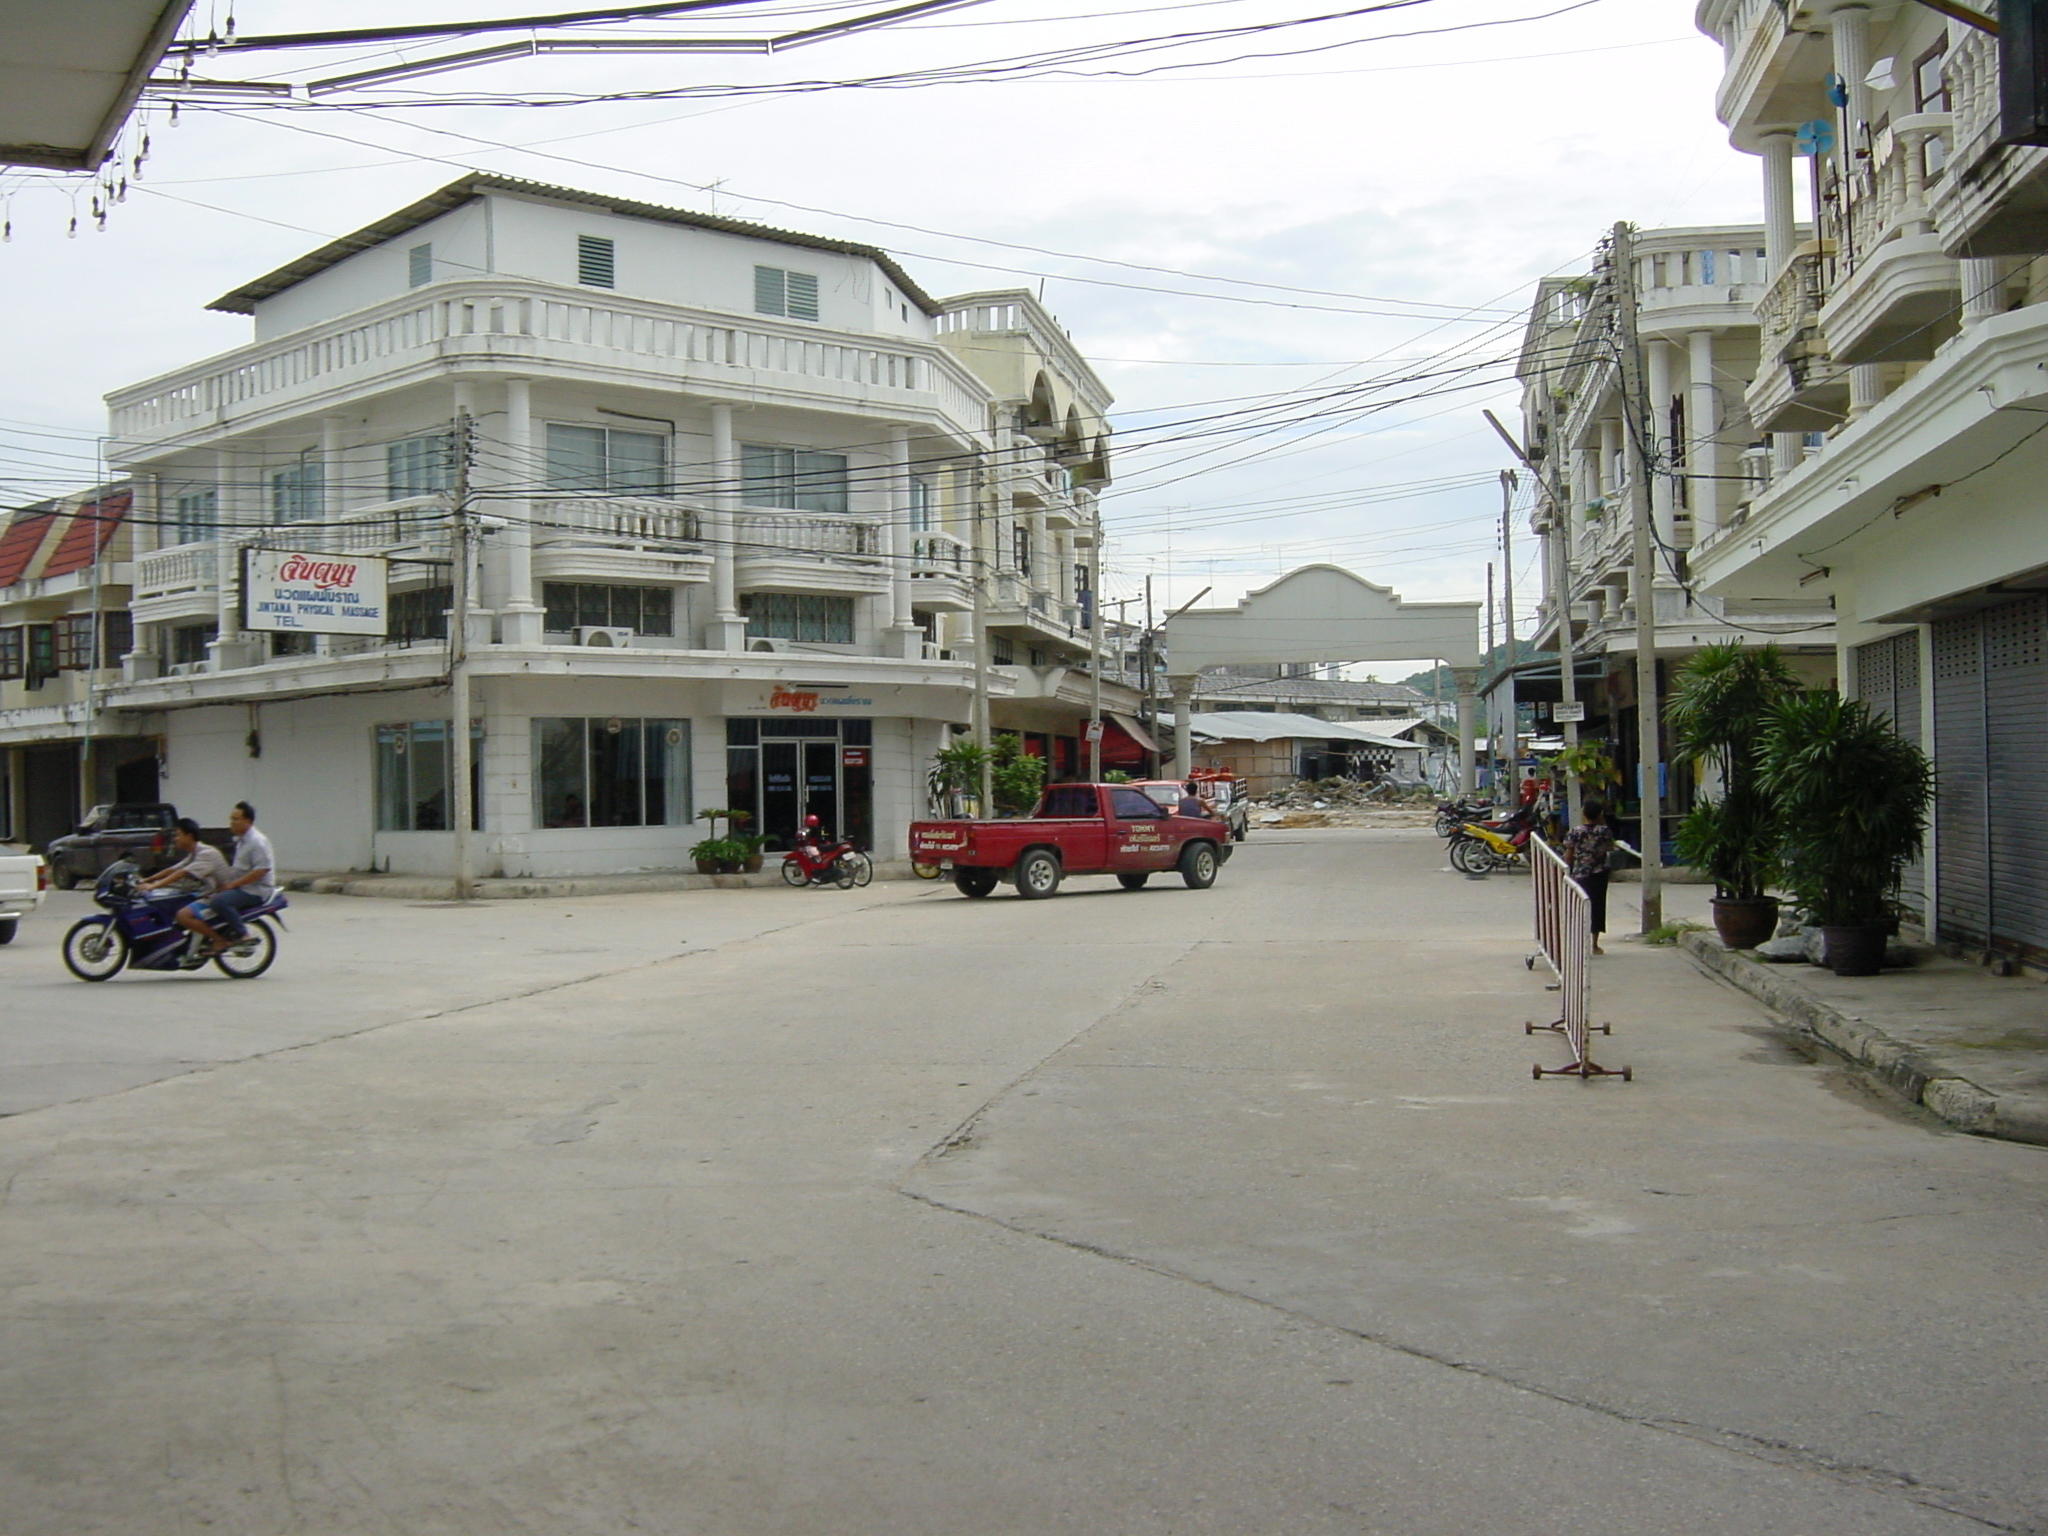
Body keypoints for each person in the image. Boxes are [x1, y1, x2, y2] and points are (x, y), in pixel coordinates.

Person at [182, 802, 275, 956]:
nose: (231, 823)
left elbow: (261, 870)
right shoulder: (242, 840)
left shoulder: (257, 841)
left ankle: (243, 934)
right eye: (231, 819)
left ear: (247, 821)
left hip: (255, 890)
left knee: (219, 901)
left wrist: (233, 884)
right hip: (243, 887)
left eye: (236, 819)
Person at [1562, 798, 1617, 954]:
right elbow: (1610, 847)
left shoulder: (1575, 831)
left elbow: (1569, 854)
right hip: (1599, 873)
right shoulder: (1604, 831)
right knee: (1597, 907)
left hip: (1580, 873)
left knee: (1579, 906)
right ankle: (1594, 944)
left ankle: (1578, 942)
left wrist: (1566, 870)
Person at [138, 817, 229, 901]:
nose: (175, 839)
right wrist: (146, 880)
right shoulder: (194, 853)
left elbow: (181, 873)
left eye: (178, 835)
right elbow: (173, 869)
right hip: (210, 893)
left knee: (182, 914)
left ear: (189, 836)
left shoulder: (206, 853)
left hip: (221, 896)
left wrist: (154, 886)